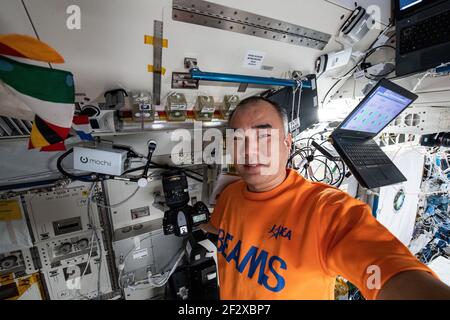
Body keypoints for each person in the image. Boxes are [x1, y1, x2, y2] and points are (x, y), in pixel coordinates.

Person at [201, 96, 450, 300]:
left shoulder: (326, 210)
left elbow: (388, 272)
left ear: (287, 143)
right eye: (237, 139)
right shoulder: (232, 194)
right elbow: (221, 228)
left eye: (264, 136)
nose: (249, 150)